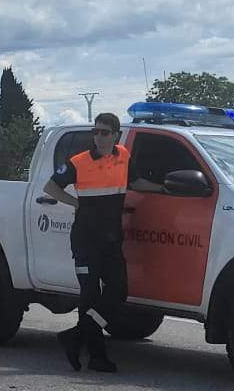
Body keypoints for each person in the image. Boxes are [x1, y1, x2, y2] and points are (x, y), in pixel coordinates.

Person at [42, 112, 162, 372]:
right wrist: (78, 204)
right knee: (89, 296)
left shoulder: (124, 157)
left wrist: (162, 188)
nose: (98, 136)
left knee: (119, 291)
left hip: (110, 239)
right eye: (95, 132)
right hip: (86, 240)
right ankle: (97, 357)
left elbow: (137, 180)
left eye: (104, 132)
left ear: (116, 135)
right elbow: (50, 187)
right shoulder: (79, 161)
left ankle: (75, 336)